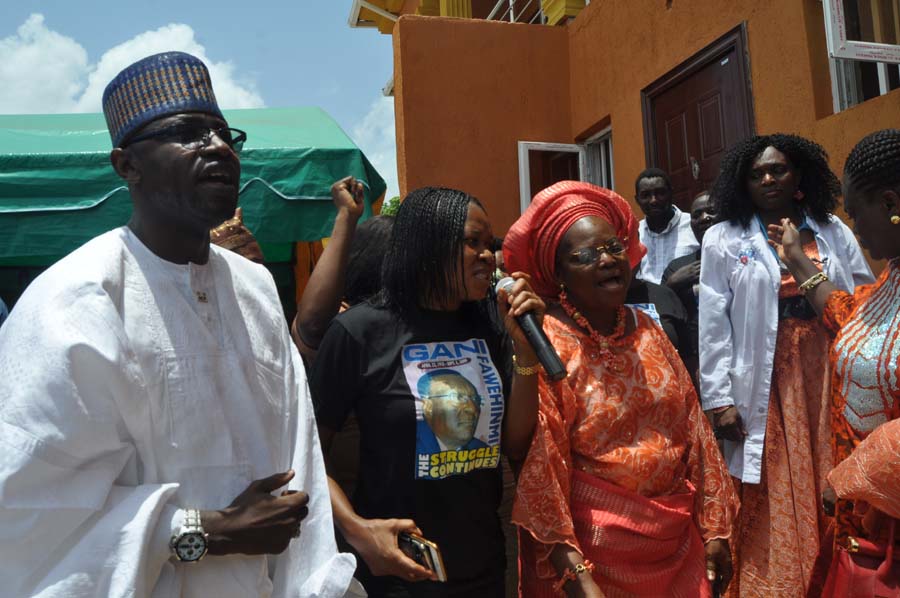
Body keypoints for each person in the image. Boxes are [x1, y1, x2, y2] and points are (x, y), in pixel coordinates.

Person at [0, 51, 358, 598]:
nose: (217, 147)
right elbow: (27, 508)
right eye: (188, 133)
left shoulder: (256, 289)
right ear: (127, 165)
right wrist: (203, 531)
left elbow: (299, 458)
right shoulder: (76, 299)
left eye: (222, 133)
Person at [505, 181, 738, 598]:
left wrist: (715, 524)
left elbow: (694, 427)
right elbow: (543, 462)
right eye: (586, 255)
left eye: (613, 247)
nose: (608, 260)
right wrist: (575, 571)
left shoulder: (647, 326)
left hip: (677, 543)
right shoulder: (548, 342)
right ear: (557, 272)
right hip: (597, 558)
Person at [309, 187, 545, 597]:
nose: (488, 256)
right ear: (427, 245)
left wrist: (525, 354)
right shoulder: (360, 332)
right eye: (472, 243)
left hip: (481, 564)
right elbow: (308, 451)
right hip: (398, 571)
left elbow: (514, 442)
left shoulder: (490, 323)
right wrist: (358, 529)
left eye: (489, 245)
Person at [700, 133, 874, 597]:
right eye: (757, 174)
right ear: (744, 184)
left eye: (778, 170)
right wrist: (718, 398)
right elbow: (713, 319)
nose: (768, 179)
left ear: (798, 176)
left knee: (833, 465)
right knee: (774, 476)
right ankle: (782, 583)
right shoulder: (723, 237)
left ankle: (839, 579)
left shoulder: (830, 228)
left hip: (827, 369)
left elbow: (862, 293)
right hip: (765, 378)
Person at [766, 129, 900, 595]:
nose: (851, 223)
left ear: (889, 203)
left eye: (854, 209)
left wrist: (854, 480)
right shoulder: (889, 282)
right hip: (863, 534)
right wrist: (797, 260)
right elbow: (845, 314)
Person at [662, 191, 718, 382]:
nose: (704, 218)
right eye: (697, 215)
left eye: (711, 211)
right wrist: (673, 284)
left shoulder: (742, 258)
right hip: (695, 360)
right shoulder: (677, 268)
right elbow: (662, 313)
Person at [635, 168, 699, 284]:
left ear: (671, 193)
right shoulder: (634, 233)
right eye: (646, 195)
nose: (653, 200)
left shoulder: (694, 225)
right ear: (637, 200)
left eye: (660, 193)